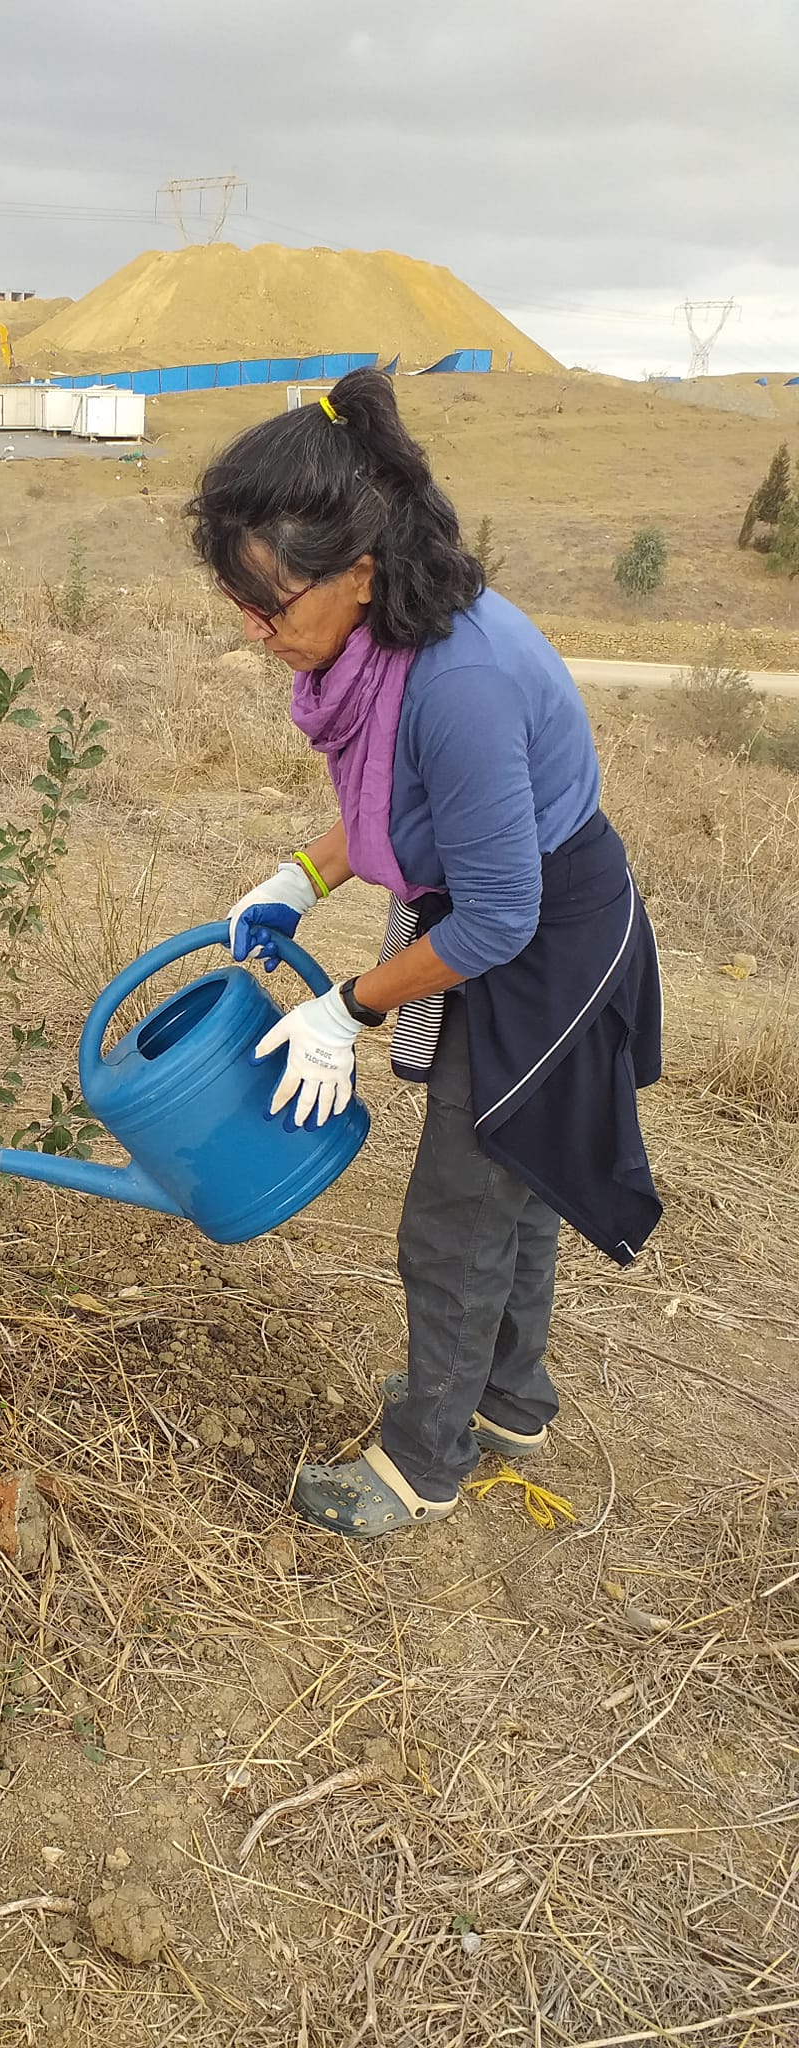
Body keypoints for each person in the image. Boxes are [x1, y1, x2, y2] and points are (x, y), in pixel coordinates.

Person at [187, 368, 662, 1539]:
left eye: (272, 602)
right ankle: (508, 1399)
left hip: (544, 934)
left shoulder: (461, 681)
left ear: (359, 566)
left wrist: (345, 1006)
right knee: (519, 1172)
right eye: (239, 604)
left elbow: (498, 915)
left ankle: (421, 1461)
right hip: (500, 906)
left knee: (461, 1204)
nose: (256, 630)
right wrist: (304, 874)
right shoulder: (381, 644)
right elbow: (401, 806)